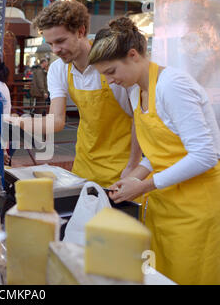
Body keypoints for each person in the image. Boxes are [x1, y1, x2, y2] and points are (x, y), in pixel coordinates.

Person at [89, 16, 220, 285]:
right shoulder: (136, 90)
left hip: (195, 210)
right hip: (164, 206)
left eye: (111, 71)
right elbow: (162, 152)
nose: (110, 81)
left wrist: (144, 185)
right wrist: (135, 176)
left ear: (133, 55)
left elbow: (206, 154)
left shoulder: (172, 86)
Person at [20, 0, 142, 188]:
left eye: (60, 41)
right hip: (84, 165)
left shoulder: (115, 64)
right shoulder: (58, 69)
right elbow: (57, 121)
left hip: (122, 168)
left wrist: (133, 166)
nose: (55, 50)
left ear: (81, 31)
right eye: (50, 43)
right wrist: (17, 122)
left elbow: (139, 118)